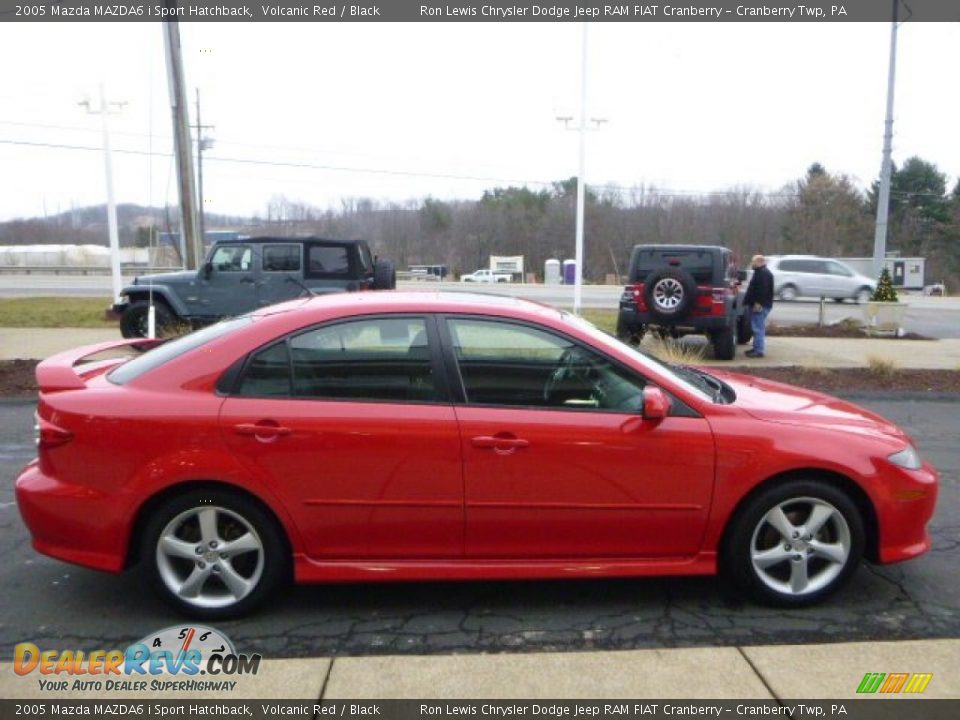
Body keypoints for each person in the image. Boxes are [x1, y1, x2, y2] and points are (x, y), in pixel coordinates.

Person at [743, 254, 774, 358]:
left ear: (760, 262)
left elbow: (762, 290)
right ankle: (756, 348)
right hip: (759, 304)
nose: (752, 264)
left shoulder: (763, 274)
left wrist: (758, 303)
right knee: (756, 326)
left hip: (761, 305)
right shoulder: (760, 272)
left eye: (754, 262)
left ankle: (759, 350)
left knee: (758, 328)